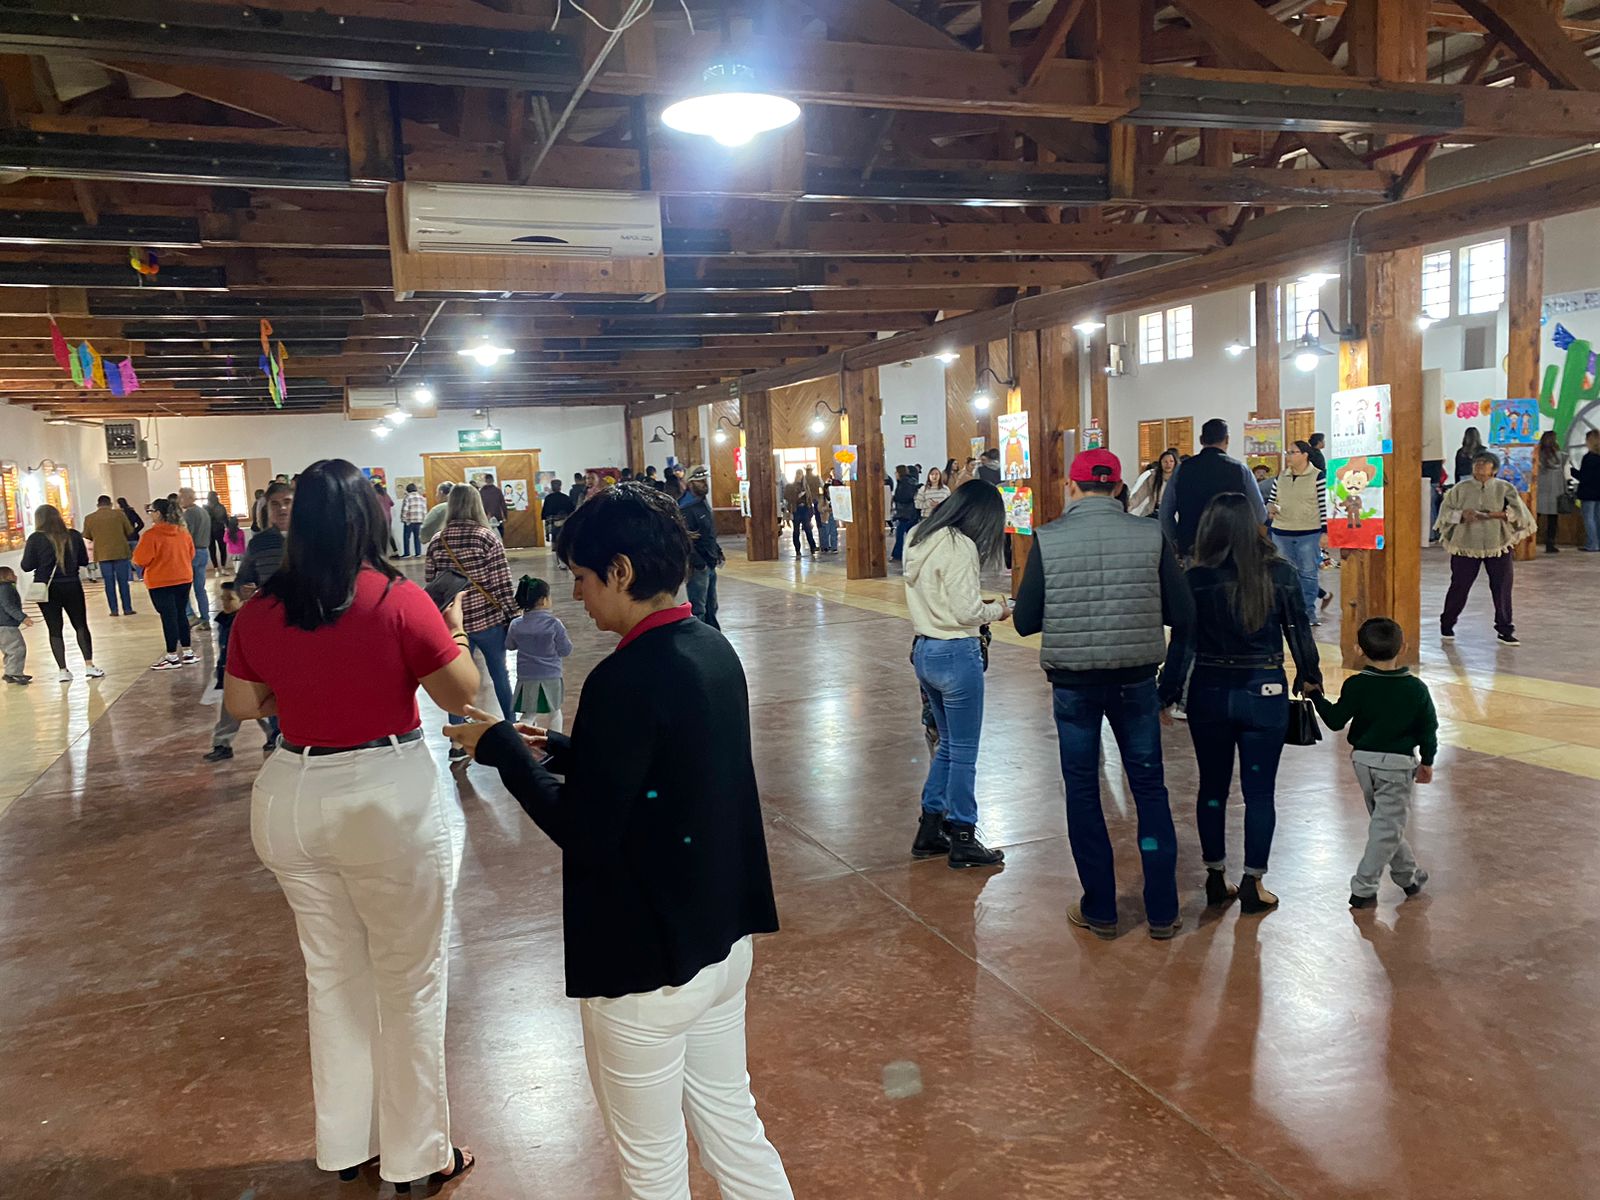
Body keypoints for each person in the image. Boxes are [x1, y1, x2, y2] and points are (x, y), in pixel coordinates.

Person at [443, 483, 793, 1200]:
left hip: (645, 965)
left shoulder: (623, 678)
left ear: (622, 571)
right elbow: (667, 769)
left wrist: (502, 749)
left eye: (582, 577)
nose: (577, 594)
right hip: (719, 942)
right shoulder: (711, 648)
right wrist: (561, 748)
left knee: (652, 1170)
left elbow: (586, 831)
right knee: (734, 1125)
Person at [224, 458, 480, 1194]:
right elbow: (458, 693)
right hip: (384, 796)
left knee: (333, 975)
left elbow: (243, 705)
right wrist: (456, 633)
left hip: (291, 798)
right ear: (370, 518)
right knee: (409, 978)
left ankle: (347, 1143)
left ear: (293, 522)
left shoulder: (262, 609)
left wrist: (302, 686)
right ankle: (418, 1155)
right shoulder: (396, 599)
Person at [1013, 450, 1194, 939]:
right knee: (1150, 789)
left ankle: (1100, 909)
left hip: (1073, 684)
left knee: (1082, 790)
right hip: (1136, 680)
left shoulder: (1048, 538)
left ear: (1072, 487)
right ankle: (1162, 911)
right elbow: (1181, 612)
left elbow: (1025, 620)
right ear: (1117, 488)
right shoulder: (1150, 534)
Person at [1175, 493, 1322, 915]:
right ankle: (1254, 883)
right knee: (1260, 793)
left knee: (1212, 787)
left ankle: (1214, 876)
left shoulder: (1195, 578)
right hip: (1265, 692)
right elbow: (1298, 630)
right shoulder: (1280, 572)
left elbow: (1183, 643)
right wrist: (1309, 676)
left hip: (1209, 693)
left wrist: (1167, 693)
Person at [903, 480, 1011, 869]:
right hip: (956, 654)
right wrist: (999, 609)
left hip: (925, 651)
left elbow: (941, 598)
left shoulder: (918, 535)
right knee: (964, 751)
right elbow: (966, 612)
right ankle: (964, 835)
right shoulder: (960, 545)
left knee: (947, 744)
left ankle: (930, 829)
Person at [1303, 617, 1436, 910]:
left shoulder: (1357, 684)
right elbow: (1429, 729)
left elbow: (1335, 720)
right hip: (1398, 766)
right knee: (1386, 827)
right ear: (1403, 647)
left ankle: (1408, 876)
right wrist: (1427, 761)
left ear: (1359, 649)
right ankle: (1363, 887)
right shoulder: (1416, 688)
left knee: (1385, 823)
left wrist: (1315, 696)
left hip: (1363, 763)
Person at [425, 483, 517, 750]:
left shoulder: (438, 541)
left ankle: (457, 741)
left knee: (456, 682)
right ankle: (513, 728)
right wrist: (512, 615)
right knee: (500, 675)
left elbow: (432, 584)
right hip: (488, 620)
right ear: (477, 504)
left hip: (455, 624)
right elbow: (502, 583)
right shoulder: (487, 537)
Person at [1436, 450, 1534, 646]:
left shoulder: (1504, 488)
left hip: (1497, 543)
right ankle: (1447, 623)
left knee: (1502, 587)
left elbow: (1519, 514)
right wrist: (1462, 515)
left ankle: (1505, 629)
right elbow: (1445, 513)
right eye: (1477, 462)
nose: (1479, 465)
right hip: (1466, 544)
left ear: (1494, 469)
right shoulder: (1460, 488)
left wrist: (1497, 515)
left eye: (1484, 463)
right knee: (1460, 585)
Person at [20, 505, 104, 683]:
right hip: (72, 585)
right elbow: (83, 561)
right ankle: (89, 665)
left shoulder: (36, 538)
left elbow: (26, 566)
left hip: (47, 588)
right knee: (80, 625)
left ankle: (63, 670)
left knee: (54, 629)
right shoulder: (73, 535)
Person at [1160, 419, 1266, 559]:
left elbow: (1165, 514)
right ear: (1227, 440)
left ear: (1201, 440)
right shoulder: (1240, 470)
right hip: (1232, 549)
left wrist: (1175, 541)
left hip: (1191, 547)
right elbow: (1260, 515)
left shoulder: (1181, 470)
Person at [203, 583, 275, 761]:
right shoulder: (223, 622)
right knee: (229, 712)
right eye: (223, 598)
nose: (225, 603)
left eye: (230, 599)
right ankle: (222, 744)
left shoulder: (250, 622)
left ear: (244, 601)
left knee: (262, 711)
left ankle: (274, 738)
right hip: (230, 674)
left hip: (252, 676)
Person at [1265, 440, 1329, 624]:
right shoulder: (1281, 476)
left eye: (1293, 452)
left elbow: (1324, 506)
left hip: (1309, 533)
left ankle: (1307, 612)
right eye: (1288, 452)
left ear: (1305, 455)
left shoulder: (1318, 476)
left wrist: (1325, 532)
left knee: (1308, 574)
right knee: (1285, 574)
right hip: (1281, 532)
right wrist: (1271, 508)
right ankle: (1287, 612)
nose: (1289, 456)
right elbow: (1272, 499)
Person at [133, 498, 200, 670]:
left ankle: (172, 656)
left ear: (158, 513)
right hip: (183, 578)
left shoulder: (151, 535)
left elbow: (140, 559)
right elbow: (191, 554)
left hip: (160, 581)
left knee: (168, 617)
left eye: (151, 511)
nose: (150, 514)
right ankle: (188, 652)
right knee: (181, 614)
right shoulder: (183, 532)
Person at [507, 576, 572, 733]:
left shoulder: (516, 624)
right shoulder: (554, 624)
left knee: (529, 714)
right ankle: (555, 741)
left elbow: (509, 645)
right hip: (551, 675)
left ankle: (519, 739)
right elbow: (566, 650)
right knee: (555, 712)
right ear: (543, 600)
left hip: (526, 676)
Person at [680, 464, 724, 628]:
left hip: (709, 562)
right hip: (698, 567)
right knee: (699, 609)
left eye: (705, 480)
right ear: (690, 483)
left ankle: (713, 636)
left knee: (712, 606)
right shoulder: (685, 508)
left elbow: (707, 532)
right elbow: (684, 540)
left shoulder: (703, 503)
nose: (704, 484)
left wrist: (717, 551)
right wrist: (699, 563)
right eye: (699, 481)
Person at [82, 493, 138, 616]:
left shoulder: (89, 518)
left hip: (103, 554)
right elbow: (129, 530)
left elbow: (87, 535)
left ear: (97, 505)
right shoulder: (119, 514)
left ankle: (114, 610)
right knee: (123, 582)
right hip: (120, 552)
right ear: (110, 504)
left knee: (109, 583)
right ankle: (127, 608)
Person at [236, 481, 293, 594]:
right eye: (275, 504)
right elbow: (243, 579)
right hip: (270, 603)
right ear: (267, 509)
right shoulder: (258, 543)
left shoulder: (311, 538)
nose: (282, 508)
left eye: (287, 502)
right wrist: (244, 589)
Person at [178, 487, 212, 626]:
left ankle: (190, 615)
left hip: (192, 553)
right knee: (200, 588)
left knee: (183, 586)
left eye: (181, 497)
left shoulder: (189, 514)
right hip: (203, 551)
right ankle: (205, 618)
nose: (179, 501)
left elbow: (187, 536)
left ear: (188, 498)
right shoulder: (203, 511)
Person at [1535, 430, 1573, 553]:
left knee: (1535, 517)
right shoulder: (1562, 457)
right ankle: (1550, 544)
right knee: (1552, 520)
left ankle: (1530, 541)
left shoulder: (1536, 456)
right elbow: (1567, 475)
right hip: (1556, 492)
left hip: (1540, 492)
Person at [0, 566, 33, 684]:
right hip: (6, 625)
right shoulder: (6, 588)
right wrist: (22, 617)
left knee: (9, 650)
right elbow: (8, 606)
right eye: (12, 574)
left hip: (3, 625)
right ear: (6, 576)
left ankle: (9, 672)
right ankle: (15, 673)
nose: (15, 576)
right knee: (17, 649)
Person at [1128, 449, 1179, 518]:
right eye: (1165, 461)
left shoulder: (1180, 478)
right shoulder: (1153, 478)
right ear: (1160, 463)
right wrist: (1126, 508)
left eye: (1171, 461)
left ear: (1175, 463)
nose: (1168, 464)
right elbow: (1139, 496)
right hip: (1154, 512)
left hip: (1174, 514)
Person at [785, 468, 817, 558]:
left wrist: (810, 510)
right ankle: (797, 549)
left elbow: (809, 498)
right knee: (796, 531)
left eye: (800, 474)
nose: (799, 476)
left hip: (805, 509)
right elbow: (787, 497)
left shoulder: (805, 486)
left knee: (808, 529)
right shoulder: (790, 486)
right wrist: (797, 496)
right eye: (798, 474)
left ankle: (813, 547)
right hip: (796, 510)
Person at [890, 466, 920, 562]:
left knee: (900, 534)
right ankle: (914, 553)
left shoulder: (904, 483)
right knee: (911, 534)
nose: (895, 474)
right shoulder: (910, 481)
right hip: (910, 512)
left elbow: (904, 497)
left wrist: (895, 498)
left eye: (896, 472)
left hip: (904, 513)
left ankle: (897, 554)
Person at [1577, 429, 1600, 551]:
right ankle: (1598, 543)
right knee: (1597, 518)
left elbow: (1584, 477)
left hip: (1588, 493)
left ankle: (1592, 544)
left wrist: (1571, 471)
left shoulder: (1588, 458)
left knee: (1589, 518)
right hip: (1598, 493)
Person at [541, 477, 575, 558]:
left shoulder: (548, 498)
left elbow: (545, 511)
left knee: (554, 534)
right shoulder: (565, 497)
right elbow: (571, 509)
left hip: (552, 521)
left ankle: (554, 547)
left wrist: (544, 517)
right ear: (560, 487)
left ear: (552, 487)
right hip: (563, 520)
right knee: (563, 534)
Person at [399, 482, 428, 558]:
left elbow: (405, 509)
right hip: (419, 520)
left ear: (408, 490)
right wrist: (424, 519)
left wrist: (403, 518)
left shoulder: (408, 497)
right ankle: (418, 553)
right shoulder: (421, 497)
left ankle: (407, 553)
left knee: (406, 537)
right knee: (417, 537)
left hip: (409, 521)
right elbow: (424, 510)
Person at [420, 481, 453, 545]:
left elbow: (424, 531)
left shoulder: (438, 509)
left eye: (437, 493)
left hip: (441, 545)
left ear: (441, 492)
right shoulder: (463, 507)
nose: (436, 495)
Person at [204, 490, 230, 572]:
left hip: (209, 531)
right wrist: (229, 528)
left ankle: (216, 569)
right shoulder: (221, 507)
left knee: (212, 550)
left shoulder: (205, 507)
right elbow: (225, 519)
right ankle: (223, 567)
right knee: (222, 549)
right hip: (219, 530)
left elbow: (203, 520)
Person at [477, 473, 508, 540]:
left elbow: (478, 505)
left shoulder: (481, 492)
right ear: (493, 480)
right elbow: (503, 504)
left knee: (486, 536)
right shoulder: (498, 491)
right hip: (497, 517)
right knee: (499, 536)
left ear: (485, 481)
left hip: (485, 517)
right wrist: (505, 516)